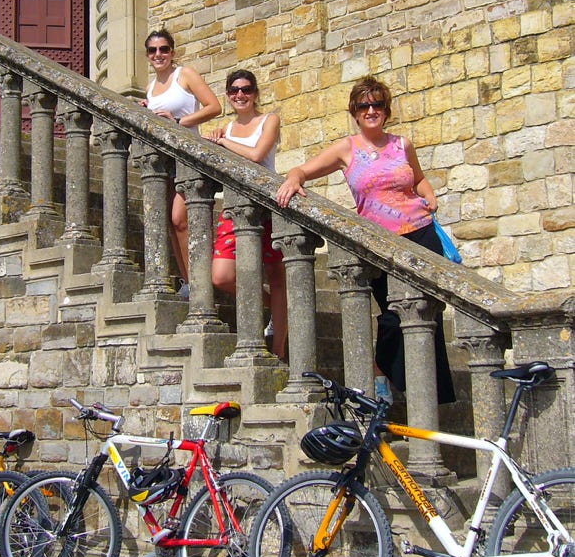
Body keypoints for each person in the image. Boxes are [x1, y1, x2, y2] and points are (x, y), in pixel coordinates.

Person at [276, 75, 455, 404]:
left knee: (429, 313)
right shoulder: (348, 148)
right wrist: (294, 179)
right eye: (364, 106)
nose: (371, 110)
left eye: (377, 104)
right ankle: (379, 370)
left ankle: (427, 392)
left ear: (386, 110)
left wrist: (430, 196)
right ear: (355, 112)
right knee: (391, 314)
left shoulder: (403, 145)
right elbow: (303, 170)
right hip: (379, 244)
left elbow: (418, 178)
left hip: (421, 234)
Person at [206, 70, 288, 362]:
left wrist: (224, 142)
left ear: (255, 93)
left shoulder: (269, 120)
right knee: (221, 275)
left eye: (246, 90)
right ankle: (273, 307)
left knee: (278, 277)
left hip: (268, 207)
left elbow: (256, 155)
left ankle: (278, 350)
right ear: (228, 95)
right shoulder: (225, 128)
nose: (240, 95)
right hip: (236, 207)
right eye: (234, 91)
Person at [141, 29, 221, 291]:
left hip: (187, 157)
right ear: (147, 55)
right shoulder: (150, 88)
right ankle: (188, 281)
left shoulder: (184, 75)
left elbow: (213, 106)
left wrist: (179, 121)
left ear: (172, 52)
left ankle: (198, 281)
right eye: (153, 50)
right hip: (164, 160)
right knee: (169, 221)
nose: (158, 54)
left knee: (179, 218)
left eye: (163, 49)